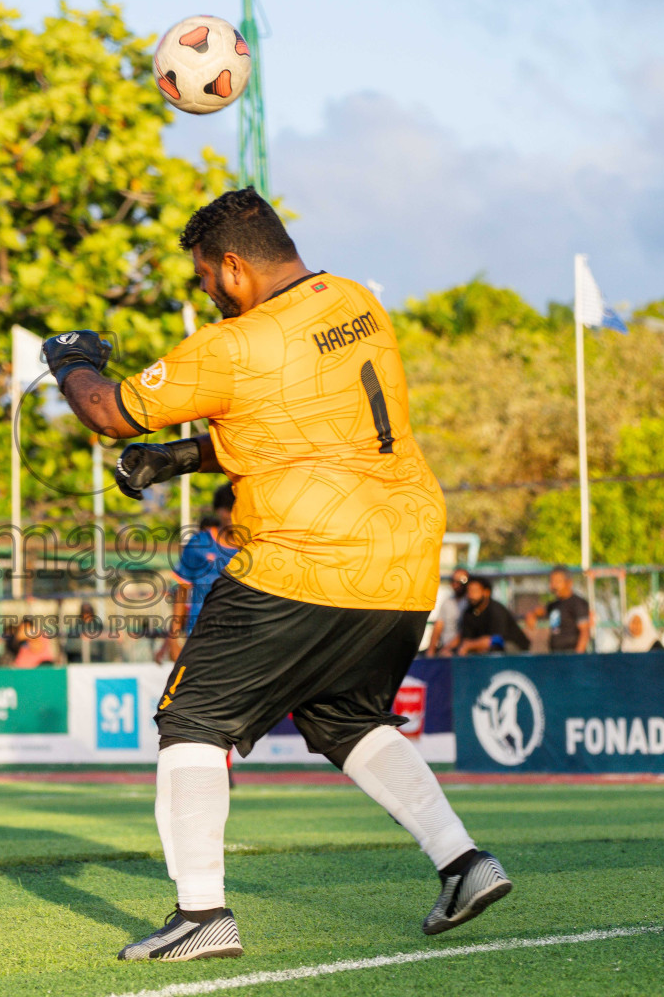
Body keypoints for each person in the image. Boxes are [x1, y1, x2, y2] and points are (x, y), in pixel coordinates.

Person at [43, 189, 509, 961]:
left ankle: (200, 916)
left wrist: (72, 361)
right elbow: (297, 428)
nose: (204, 294)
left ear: (231, 266)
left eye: (203, 279)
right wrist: (181, 457)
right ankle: (464, 862)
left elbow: (110, 411)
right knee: (345, 719)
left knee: (191, 724)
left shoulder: (235, 344)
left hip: (302, 558)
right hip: (401, 558)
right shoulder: (355, 301)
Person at [164, 484, 239, 664]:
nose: (232, 515)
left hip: (242, 636)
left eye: (236, 509)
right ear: (219, 511)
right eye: (227, 509)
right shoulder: (199, 543)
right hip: (201, 635)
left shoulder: (256, 546)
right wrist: (173, 639)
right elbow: (182, 589)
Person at [456, 576, 532, 654]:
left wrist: (472, 645)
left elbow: (497, 640)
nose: (471, 595)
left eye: (475, 591)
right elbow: (466, 640)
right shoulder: (469, 612)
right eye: (469, 591)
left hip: (515, 650)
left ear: (486, 592)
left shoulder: (496, 610)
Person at [525, 567, 591, 654]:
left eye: (557, 582)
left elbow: (585, 632)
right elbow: (540, 611)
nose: (553, 586)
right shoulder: (554, 605)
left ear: (569, 583)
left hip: (571, 654)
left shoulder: (577, 603)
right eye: (552, 582)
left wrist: (577, 657)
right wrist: (532, 614)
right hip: (556, 654)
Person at [426, 569, 470, 657]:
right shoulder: (447, 602)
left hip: (462, 650)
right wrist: (431, 650)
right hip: (445, 649)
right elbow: (438, 626)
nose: (456, 584)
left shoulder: (470, 603)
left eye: (461, 581)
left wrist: (448, 648)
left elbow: (466, 630)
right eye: (453, 581)